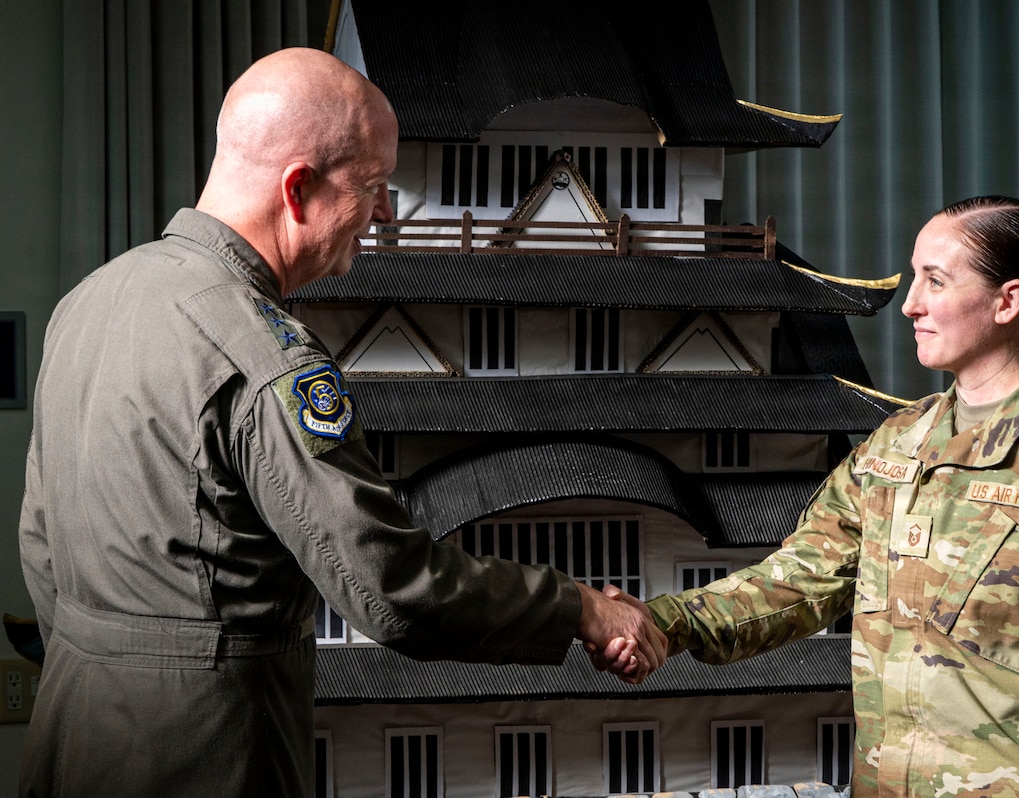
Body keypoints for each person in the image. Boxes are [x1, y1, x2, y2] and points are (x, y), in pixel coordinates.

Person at [17, 47, 665, 798]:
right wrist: (576, 606)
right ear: (298, 189)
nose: (387, 211)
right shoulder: (266, 357)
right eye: (374, 186)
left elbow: (40, 549)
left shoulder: (89, 301)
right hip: (208, 755)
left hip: (69, 740)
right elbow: (392, 588)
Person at [600, 196, 1019, 796]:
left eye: (935, 281)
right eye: (913, 279)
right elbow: (801, 580)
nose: (909, 305)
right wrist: (661, 622)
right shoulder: (898, 444)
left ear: (1008, 300)